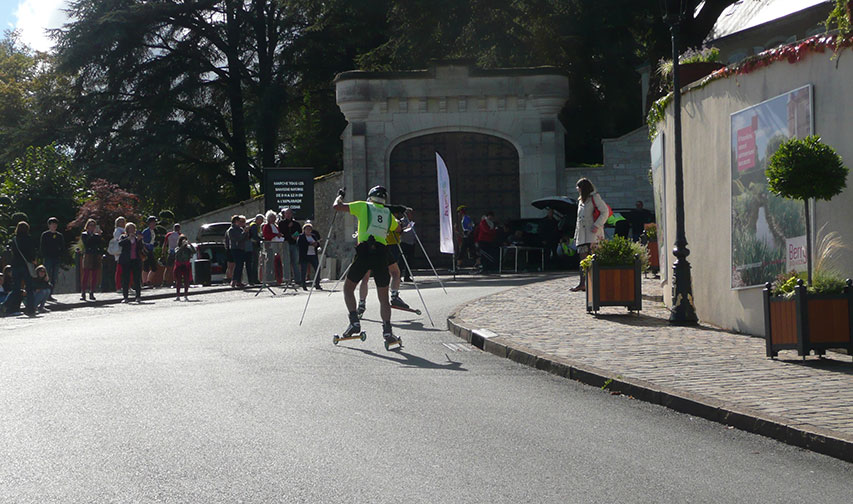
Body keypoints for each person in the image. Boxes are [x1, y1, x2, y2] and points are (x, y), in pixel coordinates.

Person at [332, 185, 401, 347]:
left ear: (370, 196)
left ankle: (354, 322)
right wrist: (399, 219)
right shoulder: (387, 213)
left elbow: (337, 207)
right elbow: (398, 228)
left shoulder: (363, 205)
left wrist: (339, 196)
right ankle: (387, 331)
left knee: (348, 288)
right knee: (383, 297)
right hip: (381, 254)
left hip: (364, 253)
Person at [571, 177, 609, 292]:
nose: (577, 189)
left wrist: (597, 225)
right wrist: (576, 236)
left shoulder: (595, 198)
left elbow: (605, 211)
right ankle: (582, 283)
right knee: (583, 260)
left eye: (579, 187)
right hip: (582, 235)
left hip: (593, 234)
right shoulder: (580, 201)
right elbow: (579, 220)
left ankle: (598, 284)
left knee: (595, 259)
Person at [9, 221, 37, 315]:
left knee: (16, 288)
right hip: (26, 266)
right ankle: (31, 309)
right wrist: (33, 260)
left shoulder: (14, 239)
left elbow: (13, 252)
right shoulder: (28, 239)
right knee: (29, 288)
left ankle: (13, 308)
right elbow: (31, 252)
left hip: (16, 265)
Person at [118, 222, 145, 302]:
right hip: (126, 261)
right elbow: (120, 244)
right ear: (127, 230)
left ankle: (138, 296)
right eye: (130, 228)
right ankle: (125, 297)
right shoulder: (123, 236)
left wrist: (140, 241)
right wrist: (128, 239)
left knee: (137, 279)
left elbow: (141, 248)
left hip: (136, 260)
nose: (132, 230)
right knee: (126, 279)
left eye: (133, 228)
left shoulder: (137, 238)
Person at [39, 217, 65, 301]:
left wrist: (60, 255)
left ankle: (50, 293)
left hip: (56, 258)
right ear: (49, 225)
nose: (54, 226)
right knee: (47, 275)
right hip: (48, 258)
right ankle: (44, 293)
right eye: (52, 224)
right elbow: (42, 247)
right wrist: (45, 255)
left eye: (55, 224)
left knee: (54, 277)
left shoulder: (59, 236)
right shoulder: (45, 235)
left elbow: (62, 247)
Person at [80, 219, 103, 301]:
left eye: (93, 226)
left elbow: (99, 244)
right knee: (86, 274)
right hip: (88, 254)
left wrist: (98, 236)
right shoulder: (84, 234)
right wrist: (93, 235)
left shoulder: (97, 236)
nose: (92, 227)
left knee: (94, 275)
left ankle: (92, 291)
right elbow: (87, 243)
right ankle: (83, 292)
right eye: (90, 225)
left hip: (95, 255)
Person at [261, 210, 285, 285]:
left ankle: (276, 278)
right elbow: (266, 235)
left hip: (276, 245)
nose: (273, 219)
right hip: (270, 245)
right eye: (272, 217)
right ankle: (269, 279)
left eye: (274, 217)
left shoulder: (275, 226)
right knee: (270, 262)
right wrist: (275, 235)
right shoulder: (266, 226)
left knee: (276, 262)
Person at [297, 221, 322, 290]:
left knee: (317, 268)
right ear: (304, 230)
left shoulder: (313, 236)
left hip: (313, 254)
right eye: (307, 229)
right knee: (304, 270)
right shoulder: (301, 237)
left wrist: (317, 245)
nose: (308, 231)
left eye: (309, 229)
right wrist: (310, 244)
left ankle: (317, 284)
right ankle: (304, 285)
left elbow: (317, 244)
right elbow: (300, 245)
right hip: (305, 255)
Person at [279, 208, 302, 283]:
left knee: (295, 262)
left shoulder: (296, 224)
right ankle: (287, 279)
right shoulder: (281, 223)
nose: (288, 215)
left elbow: (300, 232)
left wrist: (295, 236)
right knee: (286, 262)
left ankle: (297, 279)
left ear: (292, 214)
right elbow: (282, 233)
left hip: (294, 244)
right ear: (284, 214)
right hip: (286, 243)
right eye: (286, 213)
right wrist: (288, 228)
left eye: (289, 213)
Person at [226, 215, 248, 288]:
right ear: (236, 221)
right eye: (239, 221)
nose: (240, 223)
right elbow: (238, 238)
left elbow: (244, 238)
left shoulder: (240, 229)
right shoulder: (231, 230)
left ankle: (239, 281)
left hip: (241, 248)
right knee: (238, 264)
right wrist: (244, 232)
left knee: (241, 265)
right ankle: (234, 280)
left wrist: (246, 232)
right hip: (235, 248)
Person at [173, 235, 195, 301]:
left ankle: (186, 294)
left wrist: (190, 245)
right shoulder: (177, 248)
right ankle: (178, 295)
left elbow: (194, 251)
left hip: (186, 265)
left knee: (186, 281)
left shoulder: (188, 249)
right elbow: (177, 254)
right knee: (178, 281)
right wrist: (182, 246)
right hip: (179, 265)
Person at [162, 223, 182, 288]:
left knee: (168, 268)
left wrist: (163, 253)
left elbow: (165, 245)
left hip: (170, 252)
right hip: (178, 253)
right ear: (179, 228)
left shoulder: (169, 234)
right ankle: (176, 281)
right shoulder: (180, 235)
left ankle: (165, 281)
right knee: (177, 268)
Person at [398, 209, 416, 282]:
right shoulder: (402, 221)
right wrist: (406, 228)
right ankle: (398, 276)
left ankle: (407, 276)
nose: (411, 215)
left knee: (410, 261)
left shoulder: (411, 222)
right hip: (404, 243)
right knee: (402, 261)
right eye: (410, 214)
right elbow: (399, 230)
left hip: (411, 243)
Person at [141, 216, 158, 287]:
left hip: (150, 250)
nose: (154, 224)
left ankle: (148, 281)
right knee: (146, 266)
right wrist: (145, 249)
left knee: (154, 267)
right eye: (153, 222)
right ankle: (144, 282)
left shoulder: (153, 231)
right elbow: (142, 241)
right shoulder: (146, 231)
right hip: (146, 250)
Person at [111, 216, 127, 293]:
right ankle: (118, 287)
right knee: (119, 270)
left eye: (123, 221)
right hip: (120, 252)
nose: (122, 223)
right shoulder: (118, 231)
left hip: (125, 252)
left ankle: (127, 286)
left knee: (127, 270)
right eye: (121, 222)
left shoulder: (125, 229)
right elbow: (118, 240)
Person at [247, 214, 264, 285]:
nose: (262, 222)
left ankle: (254, 279)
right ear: (257, 219)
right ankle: (254, 279)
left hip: (254, 246)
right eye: (261, 220)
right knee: (254, 262)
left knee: (255, 263)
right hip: (253, 246)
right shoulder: (254, 226)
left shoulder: (255, 226)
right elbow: (255, 236)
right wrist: (263, 239)